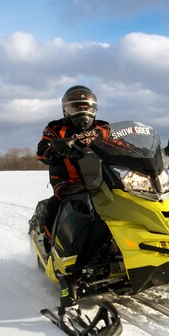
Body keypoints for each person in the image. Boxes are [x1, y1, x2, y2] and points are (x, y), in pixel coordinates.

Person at [35, 85, 111, 248]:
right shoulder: (55, 128)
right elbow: (42, 150)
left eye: (86, 108)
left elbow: (119, 143)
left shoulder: (102, 128)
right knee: (57, 204)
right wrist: (55, 150)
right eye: (75, 107)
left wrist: (141, 151)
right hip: (67, 180)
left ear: (94, 109)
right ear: (66, 110)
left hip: (102, 178)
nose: (82, 112)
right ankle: (50, 243)